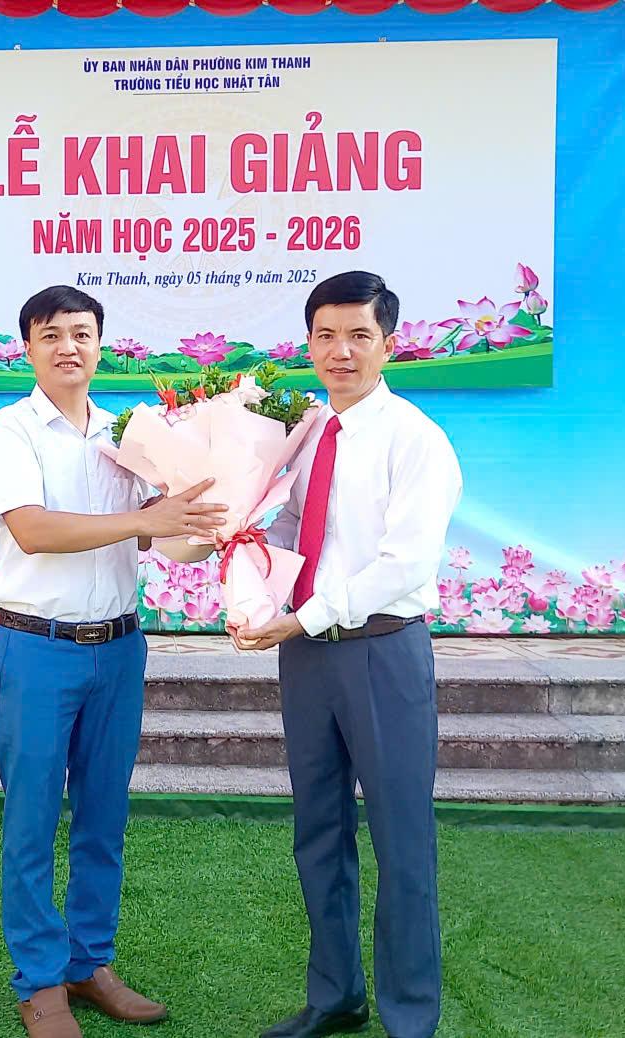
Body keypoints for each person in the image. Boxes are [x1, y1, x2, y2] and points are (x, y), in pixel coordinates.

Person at [0, 284, 228, 1038]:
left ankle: (90, 963)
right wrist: (143, 518)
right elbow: (33, 530)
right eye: (51, 334)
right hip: (38, 648)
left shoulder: (128, 434)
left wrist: (216, 520)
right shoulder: (11, 429)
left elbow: (167, 539)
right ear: (27, 347)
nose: (69, 347)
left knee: (103, 818)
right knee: (31, 821)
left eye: (82, 333)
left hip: (118, 650)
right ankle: (39, 980)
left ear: (100, 344)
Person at [232, 271, 462, 1038]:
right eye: (326, 336)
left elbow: (404, 564)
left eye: (359, 335)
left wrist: (302, 618)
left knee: (402, 839)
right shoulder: (302, 435)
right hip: (308, 658)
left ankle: (410, 1017)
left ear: (388, 345)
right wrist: (246, 579)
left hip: (381, 651)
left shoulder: (416, 440)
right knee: (319, 830)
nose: (341, 351)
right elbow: (285, 530)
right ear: (308, 344)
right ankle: (335, 995)